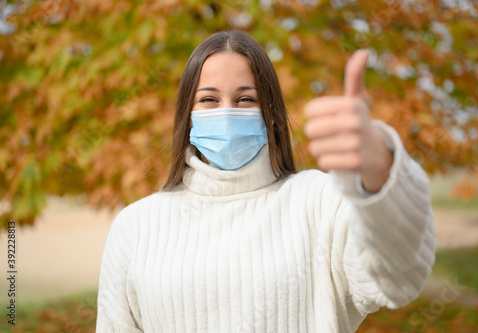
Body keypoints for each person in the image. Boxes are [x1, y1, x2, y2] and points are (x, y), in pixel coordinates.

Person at [96, 29, 436, 332]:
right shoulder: (136, 227)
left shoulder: (320, 202)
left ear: (270, 114)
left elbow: (398, 278)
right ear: (188, 116)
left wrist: (379, 171)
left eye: (246, 99)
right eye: (209, 99)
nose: (226, 113)